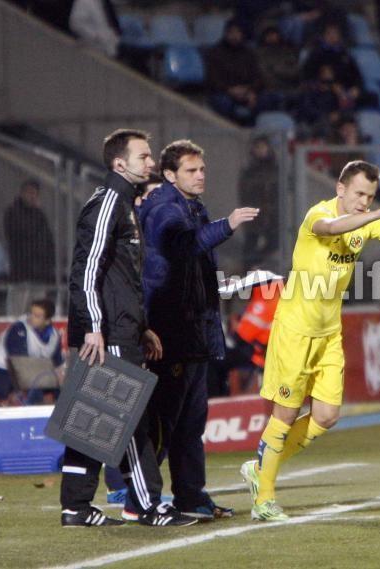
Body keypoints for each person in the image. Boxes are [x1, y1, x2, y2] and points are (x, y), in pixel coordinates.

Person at [240, 160, 380, 521]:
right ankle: (263, 500)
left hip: (329, 332)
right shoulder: (318, 214)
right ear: (340, 188)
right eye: (359, 193)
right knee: (285, 414)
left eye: (371, 196)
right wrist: (378, 213)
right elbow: (332, 226)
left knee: (328, 415)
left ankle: (260, 465)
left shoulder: (366, 220)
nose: (364, 201)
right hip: (296, 330)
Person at [60, 128, 195, 528]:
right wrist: (94, 327)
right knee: (131, 419)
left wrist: (143, 328)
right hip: (107, 332)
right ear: (120, 164)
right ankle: (149, 506)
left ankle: (76, 507)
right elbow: (85, 270)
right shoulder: (108, 203)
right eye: (144, 157)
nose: (151, 162)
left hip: (121, 329)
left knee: (91, 418)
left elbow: (121, 278)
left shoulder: (123, 203)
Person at [136, 139, 258, 520]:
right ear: (170, 175)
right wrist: (229, 224)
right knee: (163, 420)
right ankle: (140, 500)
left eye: (202, 168)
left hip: (193, 331)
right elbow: (183, 247)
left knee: (191, 422)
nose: (200, 174)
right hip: (170, 330)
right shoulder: (164, 208)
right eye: (191, 170)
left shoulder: (189, 206)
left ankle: (191, 496)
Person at [0, 299, 64, 405]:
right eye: (31, 313)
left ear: (47, 320)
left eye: (37, 316)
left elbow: (57, 364)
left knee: (54, 387)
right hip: (3, 367)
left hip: (32, 372)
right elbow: (19, 360)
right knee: (5, 395)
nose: (32, 318)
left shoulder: (54, 336)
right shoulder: (19, 328)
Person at [205, 19, 268, 126]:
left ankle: (252, 129)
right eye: (231, 32)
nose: (234, 36)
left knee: (266, 99)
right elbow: (212, 79)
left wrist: (249, 90)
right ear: (226, 33)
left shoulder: (249, 53)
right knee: (223, 103)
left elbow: (258, 77)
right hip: (223, 92)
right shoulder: (215, 53)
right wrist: (230, 90)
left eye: (237, 32)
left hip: (246, 92)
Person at [3, 179, 57, 285]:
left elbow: (47, 237)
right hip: (22, 268)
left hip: (41, 270)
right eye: (29, 193)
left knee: (38, 300)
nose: (32, 196)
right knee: (20, 299)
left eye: (35, 193)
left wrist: (50, 262)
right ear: (22, 193)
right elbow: (23, 232)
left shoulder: (39, 214)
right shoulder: (13, 212)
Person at [239, 137, 280, 270]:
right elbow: (245, 191)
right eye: (258, 147)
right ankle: (247, 270)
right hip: (253, 211)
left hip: (271, 212)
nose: (261, 150)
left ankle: (252, 265)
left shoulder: (275, 168)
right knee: (251, 242)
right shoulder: (250, 169)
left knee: (274, 241)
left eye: (263, 147)